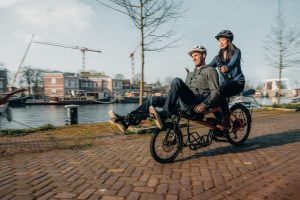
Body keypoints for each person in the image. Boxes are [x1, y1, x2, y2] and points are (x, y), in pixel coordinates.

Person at [109, 45, 220, 133]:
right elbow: (182, 91)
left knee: (176, 80)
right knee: (152, 100)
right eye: (192, 56)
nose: (193, 58)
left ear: (204, 55)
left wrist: (204, 104)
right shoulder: (190, 74)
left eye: (196, 55)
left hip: (195, 104)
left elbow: (215, 91)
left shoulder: (210, 71)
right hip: (181, 102)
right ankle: (126, 121)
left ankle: (164, 115)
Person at [210, 30, 245, 128]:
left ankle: (226, 122)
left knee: (220, 95)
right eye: (219, 40)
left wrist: (226, 67)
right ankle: (222, 121)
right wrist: (199, 70)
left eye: (223, 40)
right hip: (224, 85)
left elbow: (232, 63)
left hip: (237, 83)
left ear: (228, 41)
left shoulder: (236, 52)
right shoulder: (218, 57)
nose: (220, 42)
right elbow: (209, 66)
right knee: (212, 100)